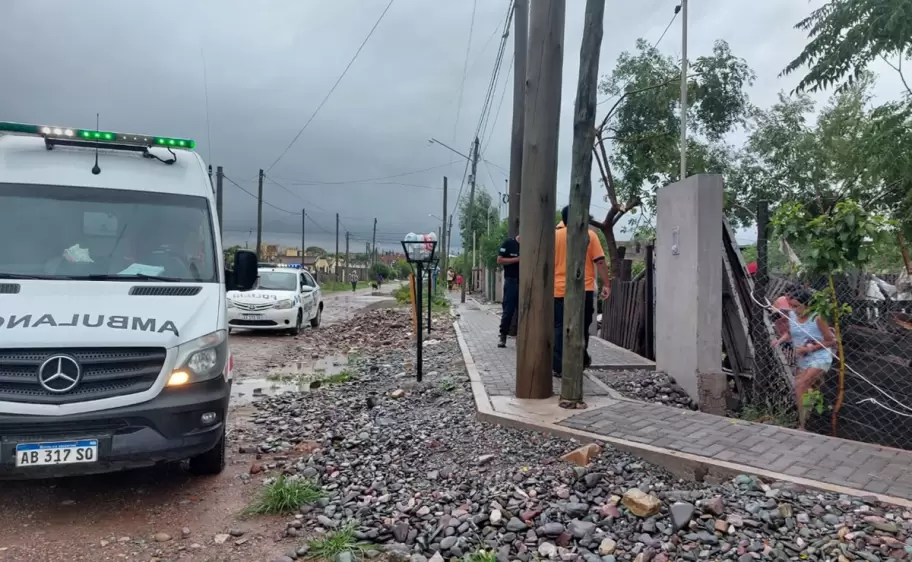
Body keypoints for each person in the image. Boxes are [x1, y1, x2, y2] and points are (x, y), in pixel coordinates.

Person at [553, 205, 611, 378]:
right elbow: (600, 262)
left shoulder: (554, 237)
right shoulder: (589, 235)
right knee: (582, 327)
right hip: (583, 290)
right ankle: (580, 362)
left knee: (559, 328)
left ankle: (558, 367)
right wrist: (607, 284)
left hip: (558, 290)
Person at [772, 288, 835, 430]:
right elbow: (790, 333)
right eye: (792, 306)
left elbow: (830, 341)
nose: (793, 310)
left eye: (796, 306)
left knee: (801, 385)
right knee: (802, 389)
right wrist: (780, 341)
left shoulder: (818, 317)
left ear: (807, 305)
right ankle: (808, 417)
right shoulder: (792, 316)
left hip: (820, 357)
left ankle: (802, 424)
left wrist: (809, 349)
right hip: (803, 359)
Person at [496, 234, 520, 348]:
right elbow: (500, 260)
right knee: (508, 310)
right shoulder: (509, 243)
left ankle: (520, 338)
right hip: (511, 281)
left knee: (524, 310)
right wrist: (517, 259)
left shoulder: (530, 244)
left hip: (525, 282)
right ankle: (503, 335)